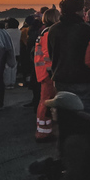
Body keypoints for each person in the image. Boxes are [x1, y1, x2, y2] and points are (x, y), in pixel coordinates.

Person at [48, 0, 90, 116]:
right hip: (83, 78)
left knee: (65, 114)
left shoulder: (53, 29)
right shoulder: (86, 29)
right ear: (78, 11)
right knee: (88, 112)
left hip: (60, 77)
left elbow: (52, 54)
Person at [34, 8, 60, 142]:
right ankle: (43, 133)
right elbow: (47, 53)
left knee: (45, 101)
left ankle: (43, 129)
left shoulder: (43, 32)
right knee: (46, 101)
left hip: (42, 72)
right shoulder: (49, 33)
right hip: (47, 73)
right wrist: (52, 72)